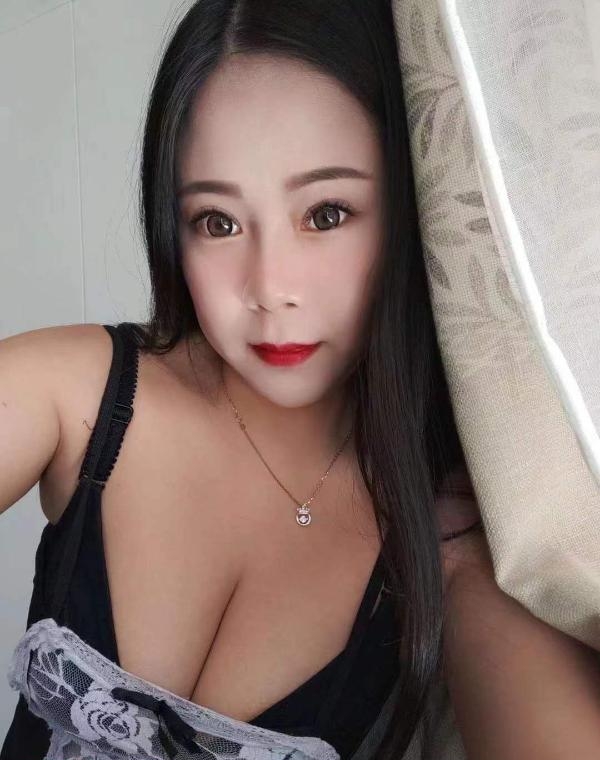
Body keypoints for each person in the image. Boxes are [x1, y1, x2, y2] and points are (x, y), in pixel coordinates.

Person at [11, 1, 599, 759]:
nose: (270, 288)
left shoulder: (445, 542)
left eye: (326, 213)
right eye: (218, 221)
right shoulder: (79, 397)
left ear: (411, 211)